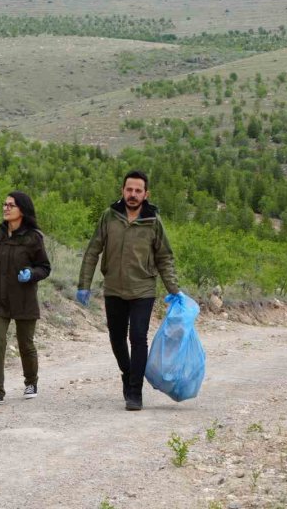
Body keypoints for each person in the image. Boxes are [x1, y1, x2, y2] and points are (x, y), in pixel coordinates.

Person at [77, 170, 180, 411]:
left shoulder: (153, 221)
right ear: (122, 190)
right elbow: (93, 250)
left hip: (143, 288)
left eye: (138, 191)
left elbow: (165, 257)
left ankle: (135, 391)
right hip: (113, 287)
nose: (132, 195)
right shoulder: (109, 216)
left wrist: (174, 290)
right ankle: (127, 373)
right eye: (129, 190)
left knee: (138, 337)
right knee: (116, 337)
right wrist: (84, 285)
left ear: (146, 194)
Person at [0, 192, 51, 406]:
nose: (6, 208)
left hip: (24, 299)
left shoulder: (33, 237)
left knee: (25, 343)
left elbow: (45, 268)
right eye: (4, 204)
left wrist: (31, 274)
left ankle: (31, 381)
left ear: (22, 210)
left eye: (11, 205)